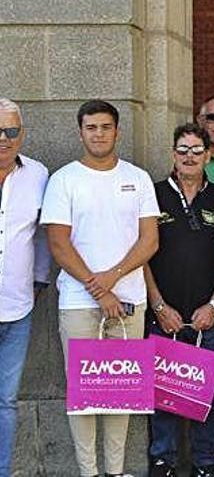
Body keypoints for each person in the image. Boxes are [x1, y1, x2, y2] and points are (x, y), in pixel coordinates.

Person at [42, 100, 160, 477]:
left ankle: (115, 470)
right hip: (79, 304)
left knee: (121, 393)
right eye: (91, 127)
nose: (98, 134)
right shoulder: (64, 180)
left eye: (105, 127)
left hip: (130, 302)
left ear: (117, 132)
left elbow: (150, 240)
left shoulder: (138, 178)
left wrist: (113, 277)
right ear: (80, 132)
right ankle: (88, 472)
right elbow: (59, 243)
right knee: (84, 396)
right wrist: (99, 289)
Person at [145, 123, 214, 477]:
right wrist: (159, 306)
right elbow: (143, 257)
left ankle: (204, 462)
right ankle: (163, 459)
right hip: (163, 312)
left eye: (197, 150)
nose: (190, 156)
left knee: (205, 392)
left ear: (208, 155)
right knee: (161, 392)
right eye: (183, 150)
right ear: (172, 155)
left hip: (208, 315)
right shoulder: (152, 194)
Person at [0, 98, 50, 477]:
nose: (4, 138)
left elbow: (43, 237)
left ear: (22, 134)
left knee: (6, 400)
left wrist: (39, 280)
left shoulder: (38, 175)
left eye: (11, 131)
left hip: (18, 306)